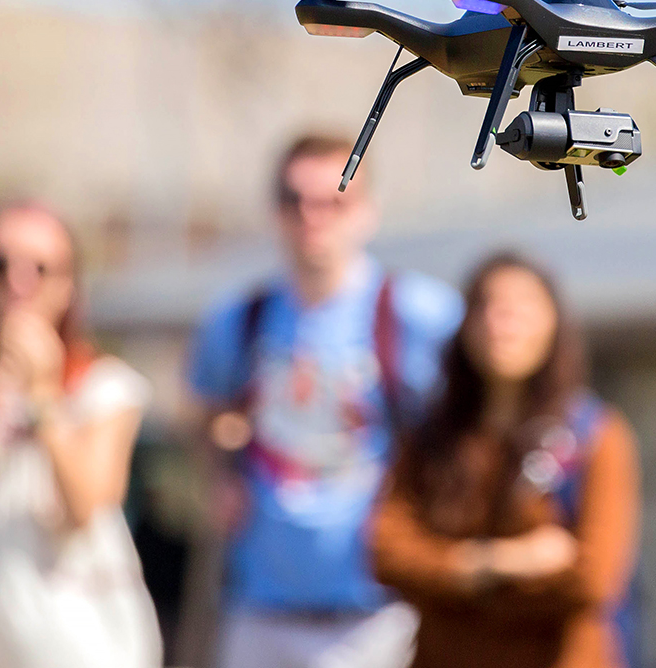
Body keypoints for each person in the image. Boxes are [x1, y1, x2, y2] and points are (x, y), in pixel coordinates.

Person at [188, 132, 463, 668]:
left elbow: (471, 428)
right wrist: (220, 474)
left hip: (373, 615)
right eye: (295, 200)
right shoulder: (237, 320)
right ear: (274, 211)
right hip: (258, 610)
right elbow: (204, 412)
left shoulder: (421, 315)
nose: (312, 216)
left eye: (335, 200)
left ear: (369, 212)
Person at [370, 252, 641, 668]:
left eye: (522, 307)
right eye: (488, 306)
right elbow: (388, 553)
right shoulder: (432, 437)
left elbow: (593, 578)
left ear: (555, 324)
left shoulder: (593, 437)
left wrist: (448, 578)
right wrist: (496, 563)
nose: (503, 322)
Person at [0, 200, 161, 668]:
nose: (18, 283)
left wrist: (42, 398)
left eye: (39, 268)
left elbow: (85, 508)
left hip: (79, 639)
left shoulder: (102, 387)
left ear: (68, 285)